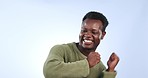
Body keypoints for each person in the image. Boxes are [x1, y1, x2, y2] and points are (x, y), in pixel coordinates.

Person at [43, 11, 120, 78]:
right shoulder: (61, 50)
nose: (87, 35)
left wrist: (110, 70)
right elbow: (49, 71)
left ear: (103, 35)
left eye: (94, 32)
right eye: (84, 30)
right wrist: (86, 64)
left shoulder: (100, 68)